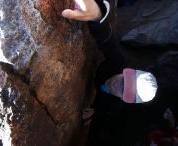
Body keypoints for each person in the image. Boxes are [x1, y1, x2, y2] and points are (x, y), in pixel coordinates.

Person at [62, 0, 178, 146]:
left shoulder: (115, 106)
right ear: (126, 72)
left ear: (125, 99)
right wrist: (97, 14)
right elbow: (107, 41)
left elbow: (103, 114)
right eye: (125, 80)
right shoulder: (118, 64)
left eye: (124, 91)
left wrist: (94, 112)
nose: (118, 84)